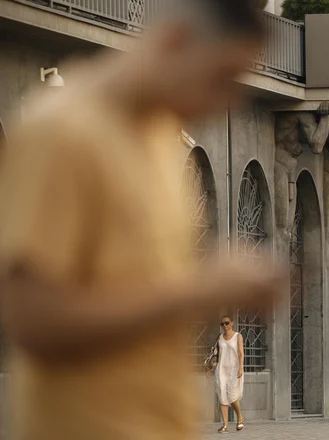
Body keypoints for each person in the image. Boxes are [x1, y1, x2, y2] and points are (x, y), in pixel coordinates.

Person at [0, 2, 285, 440]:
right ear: (175, 42)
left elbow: (145, 290)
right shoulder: (60, 132)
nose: (226, 101)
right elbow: (29, 318)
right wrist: (196, 292)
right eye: (221, 78)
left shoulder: (158, 139)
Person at [205, 316, 245, 434]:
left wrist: (241, 367)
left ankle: (239, 417)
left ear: (232, 323)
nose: (224, 326)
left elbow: (241, 353)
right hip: (221, 370)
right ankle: (225, 426)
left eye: (227, 323)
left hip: (234, 369)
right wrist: (208, 369)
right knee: (222, 396)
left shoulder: (238, 336)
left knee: (232, 397)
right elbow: (214, 354)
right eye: (222, 324)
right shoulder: (220, 338)